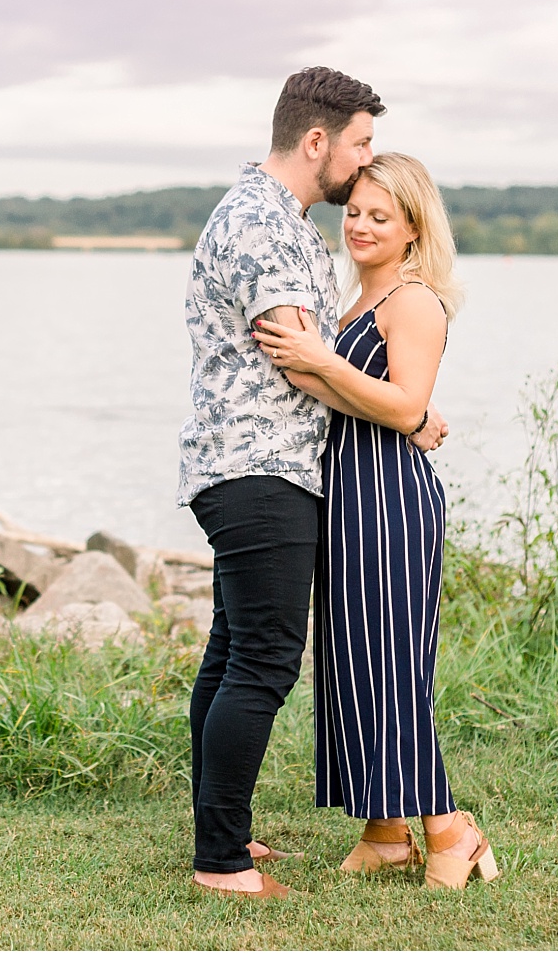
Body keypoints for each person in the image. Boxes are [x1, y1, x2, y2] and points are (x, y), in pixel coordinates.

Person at [177, 68, 442, 899]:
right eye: (360, 143)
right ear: (318, 140)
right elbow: (301, 363)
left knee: (233, 652)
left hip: (251, 465)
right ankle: (220, 862)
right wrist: (406, 416)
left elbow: (316, 357)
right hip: (261, 468)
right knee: (263, 660)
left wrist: (403, 410)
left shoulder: (275, 219)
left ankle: (224, 834)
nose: (364, 161)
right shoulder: (263, 224)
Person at [253, 152, 497, 891]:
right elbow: (370, 398)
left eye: (379, 216)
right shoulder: (355, 299)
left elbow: (404, 404)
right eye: (354, 212)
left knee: (391, 668)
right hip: (347, 493)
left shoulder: (414, 300)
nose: (359, 225)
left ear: (413, 227)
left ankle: (452, 833)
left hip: (389, 497)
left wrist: (323, 361)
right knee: (354, 665)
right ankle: (386, 832)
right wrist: (318, 362)